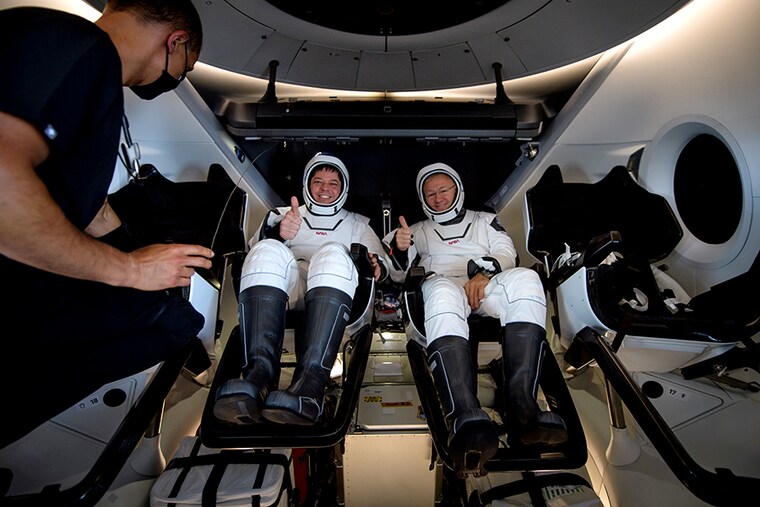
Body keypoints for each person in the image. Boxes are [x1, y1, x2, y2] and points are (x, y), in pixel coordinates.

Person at [0, 0, 212, 449]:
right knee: (168, 320)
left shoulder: (95, 84)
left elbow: (89, 207)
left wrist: (146, 262)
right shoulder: (77, 47)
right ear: (175, 42)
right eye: (185, 68)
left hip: (25, 287)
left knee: (169, 316)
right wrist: (131, 270)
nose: (176, 81)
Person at [384, 162, 567, 473]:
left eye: (444, 190)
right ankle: (462, 412)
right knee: (440, 289)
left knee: (526, 279)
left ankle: (523, 408)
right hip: (441, 286)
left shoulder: (486, 221)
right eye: (430, 194)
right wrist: (399, 247)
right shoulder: (414, 231)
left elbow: (508, 253)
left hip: (485, 284)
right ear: (422, 198)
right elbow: (396, 271)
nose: (438, 198)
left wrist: (484, 273)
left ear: (458, 190)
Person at [213, 152, 389, 426]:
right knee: (267, 249)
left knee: (332, 253)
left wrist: (376, 265)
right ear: (307, 184)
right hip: (288, 291)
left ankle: (310, 385)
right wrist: (277, 234)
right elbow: (251, 252)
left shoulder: (358, 224)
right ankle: (259, 375)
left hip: (336, 290)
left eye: (333, 183)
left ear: (343, 188)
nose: (325, 189)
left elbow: (382, 264)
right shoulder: (281, 216)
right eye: (318, 181)